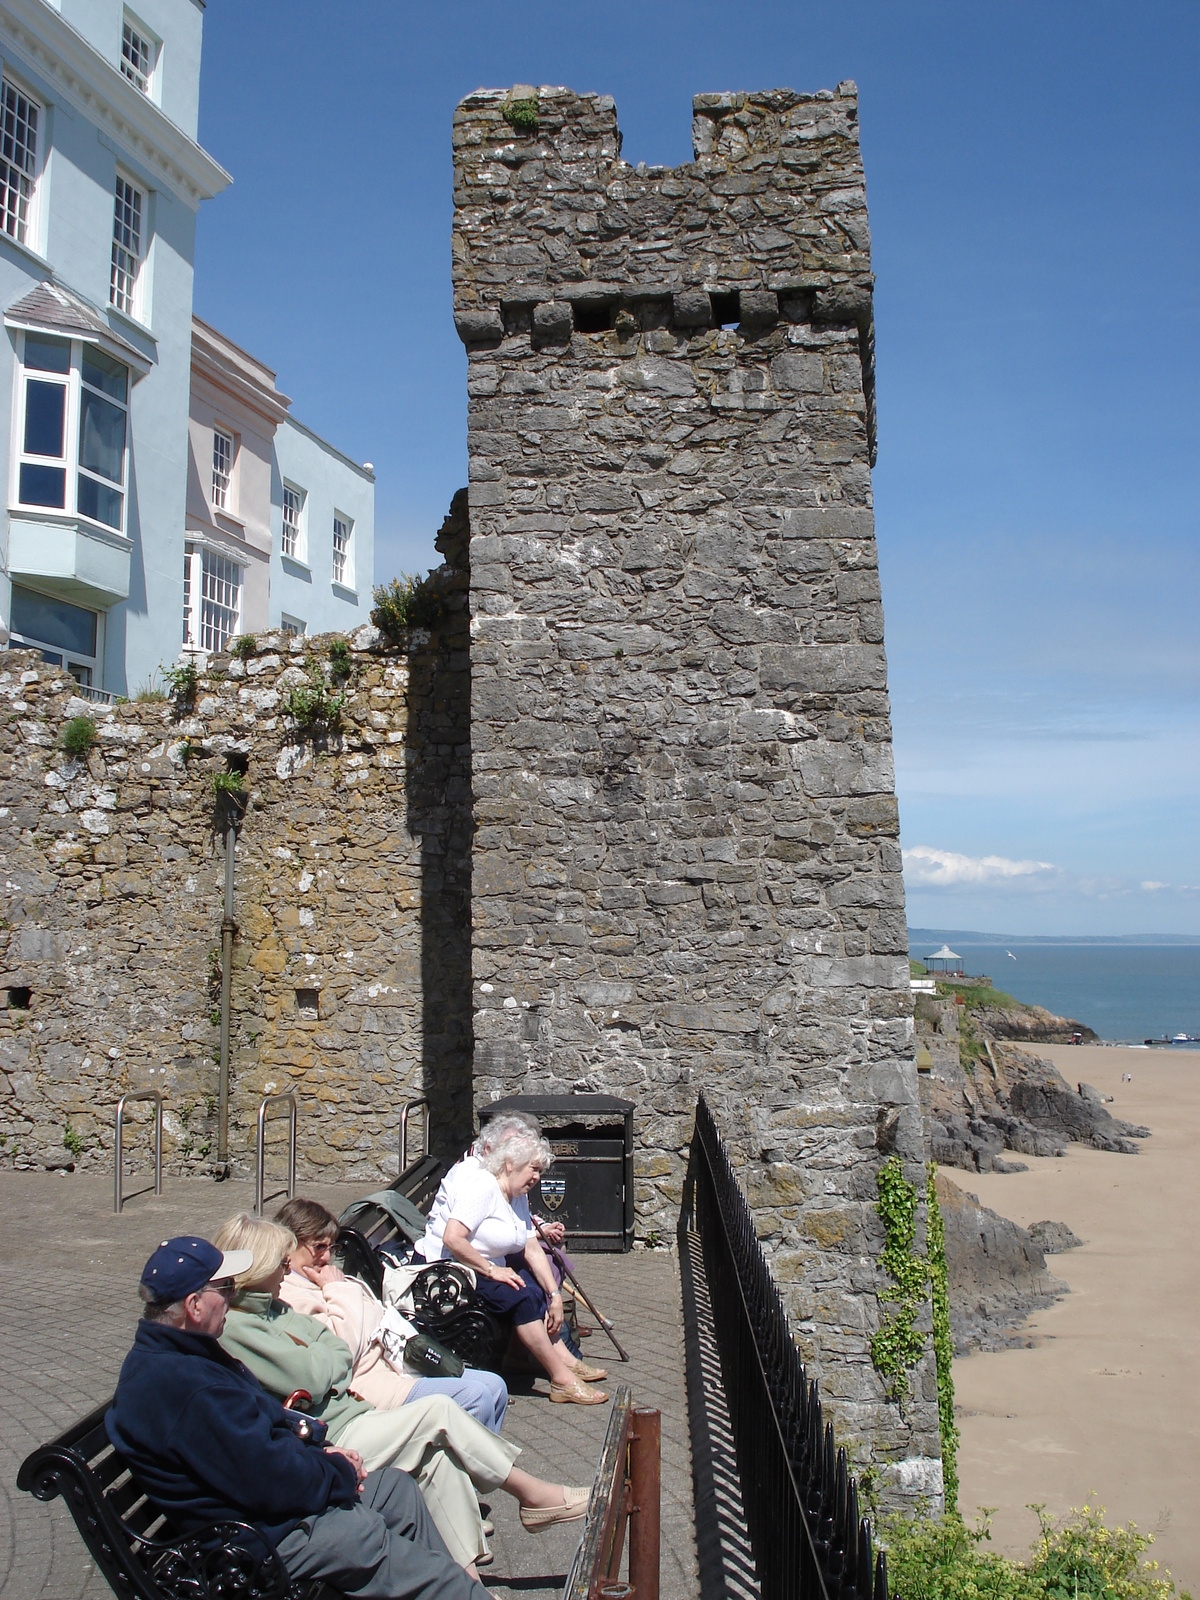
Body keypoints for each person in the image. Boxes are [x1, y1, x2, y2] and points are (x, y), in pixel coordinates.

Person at [106, 1234, 489, 1600]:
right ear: (194, 1306)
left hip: (267, 1512)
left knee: (394, 1490)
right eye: (224, 1289)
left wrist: (325, 1452)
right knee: (368, 1537)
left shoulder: (187, 1354)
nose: (232, 1296)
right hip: (255, 1543)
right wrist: (336, 1474)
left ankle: (444, 1585)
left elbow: (266, 1428)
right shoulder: (184, 1387)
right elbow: (268, 1478)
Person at [213, 1214, 588, 1570]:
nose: (286, 1269)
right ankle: (531, 1494)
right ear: (258, 1267)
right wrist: (334, 1318)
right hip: (330, 1435)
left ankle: (466, 1583)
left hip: (353, 1408)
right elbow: (320, 1370)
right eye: (279, 1263)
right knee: (438, 1411)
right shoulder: (243, 1323)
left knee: (441, 1461)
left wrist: (329, 1347)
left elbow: (336, 1352)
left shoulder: (273, 1309)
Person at [275, 1196, 509, 1433]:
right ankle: (472, 1466)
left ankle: (479, 1463)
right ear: (290, 1244)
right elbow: (343, 1347)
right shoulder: (292, 1293)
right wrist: (338, 1289)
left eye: (330, 1247)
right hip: (371, 1383)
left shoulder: (320, 1278)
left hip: (399, 1363)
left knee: (496, 1386)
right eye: (318, 1247)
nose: (326, 1257)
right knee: (476, 1396)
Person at [417, 1122, 608, 1405]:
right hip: (454, 1270)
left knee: (532, 1287)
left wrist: (554, 1295)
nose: (537, 1178)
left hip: (484, 1267)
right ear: (510, 1164)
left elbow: (531, 1248)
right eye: (533, 1169)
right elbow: (453, 1239)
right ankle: (561, 1379)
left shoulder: (517, 1195)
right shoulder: (483, 1187)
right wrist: (493, 1269)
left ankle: (529, 1358)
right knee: (520, 1297)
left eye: (540, 1171)